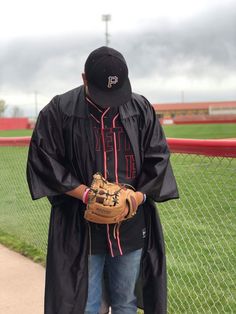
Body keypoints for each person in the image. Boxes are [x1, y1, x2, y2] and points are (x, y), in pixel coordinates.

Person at [26, 46, 179, 314]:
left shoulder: (140, 108)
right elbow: (44, 160)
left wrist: (134, 198)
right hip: (81, 228)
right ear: (84, 78)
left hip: (130, 227)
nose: (110, 101)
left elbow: (159, 159)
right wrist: (87, 195)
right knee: (88, 305)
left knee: (126, 303)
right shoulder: (59, 110)